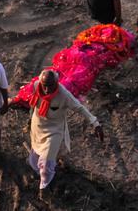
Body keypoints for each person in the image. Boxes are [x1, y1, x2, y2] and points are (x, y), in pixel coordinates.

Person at [27, 70, 104, 201]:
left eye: (50, 85)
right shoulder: (36, 86)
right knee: (34, 159)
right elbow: (33, 105)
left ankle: (44, 188)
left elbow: (80, 108)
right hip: (37, 127)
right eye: (44, 85)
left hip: (54, 131)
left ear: (56, 83)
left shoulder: (63, 95)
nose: (46, 89)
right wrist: (30, 119)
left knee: (46, 162)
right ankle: (40, 173)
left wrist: (95, 123)